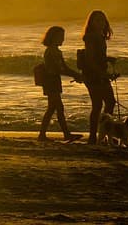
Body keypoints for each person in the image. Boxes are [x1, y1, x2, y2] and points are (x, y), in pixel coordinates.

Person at [36, 25, 83, 142]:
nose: (62, 39)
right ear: (53, 37)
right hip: (51, 82)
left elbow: (63, 68)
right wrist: (76, 75)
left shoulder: (55, 51)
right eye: (60, 36)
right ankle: (65, 134)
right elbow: (60, 69)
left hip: (53, 82)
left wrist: (75, 74)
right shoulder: (52, 52)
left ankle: (43, 135)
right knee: (58, 109)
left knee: (52, 108)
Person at [78, 9, 117, 144]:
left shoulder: (99, 36)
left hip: (97, 73)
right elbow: (90, 59)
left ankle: (100, 134)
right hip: (93, 75)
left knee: (105, 103)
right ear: (91, 23)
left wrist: (107, 59)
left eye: (102, 20)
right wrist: (102, 73)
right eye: (97, 20)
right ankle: (97, 135)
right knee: (102, 104)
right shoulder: (91, 37)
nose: (101, 23)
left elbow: (97, 56)